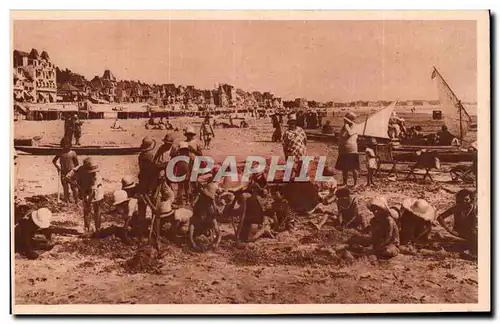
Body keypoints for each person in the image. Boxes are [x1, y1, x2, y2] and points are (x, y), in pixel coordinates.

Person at [66, 157, 104, 233]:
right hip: (84, 188)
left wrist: (88, 199)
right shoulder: (78, 169)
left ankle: (98, 228)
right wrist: (76, 185)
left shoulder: (96, 176)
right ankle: (87, 228)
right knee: (87, 210)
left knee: (97, 208)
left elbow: (93, 190)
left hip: (96, 190)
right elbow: (67, 178)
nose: (92, 173)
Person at [437, 189, 477, 254]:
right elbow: (440, 217)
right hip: (458, 233)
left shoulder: (474, 209)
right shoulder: (457, 208)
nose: (464, 201)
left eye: (467, 199)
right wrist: (448, 230)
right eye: (462, 199)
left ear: (471, 199)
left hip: (471, 234)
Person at [189, 182, 222, 251]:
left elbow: (218, 232)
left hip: (206, 230)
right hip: (198, 230)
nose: (207, 198)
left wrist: (217, 243)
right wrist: (193, 243)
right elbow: (192, 225)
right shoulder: (199, 201)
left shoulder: (210, 210)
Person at [335, 112, 360, 186]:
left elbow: (349, 133)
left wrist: (346, 125)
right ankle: (345, 182)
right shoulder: (346, 126)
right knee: (344, 168)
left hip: (351, 149)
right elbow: (343, 136)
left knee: (353, 168)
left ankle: (355, 184)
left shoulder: (353, 126)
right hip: (344, 149)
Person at [52, 138, 79, 203]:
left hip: (71, 173)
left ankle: (76, 200)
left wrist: (74, 171)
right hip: (63, 172)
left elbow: (77, 164)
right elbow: (54, 161)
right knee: (65, 187)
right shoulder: (60, 153)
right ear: (62, 145)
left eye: (67, 145)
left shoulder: (73, 153)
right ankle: (67, 200)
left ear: (70, 145)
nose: (65, 146)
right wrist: (57, 167)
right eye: (64, 145)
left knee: (74, 187)